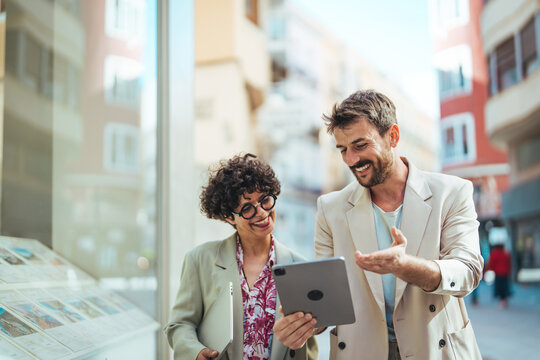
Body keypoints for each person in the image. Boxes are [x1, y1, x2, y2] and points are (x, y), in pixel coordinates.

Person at [273, 90, 484, 359]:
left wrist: (406, 267)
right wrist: (303, 324)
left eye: (360, 145)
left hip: (435, 348)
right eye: (342, 150)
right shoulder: (330, 208)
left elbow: (468, 271)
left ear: (392, 136)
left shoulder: (451, 192)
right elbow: (327, 299)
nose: (351, 159)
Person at [164, 154, 318, 360]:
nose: (262, 212)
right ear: (229, 216)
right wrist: (196, 352)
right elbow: (180, 325)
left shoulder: (300, 266)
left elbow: (311, 333)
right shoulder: (200, 260)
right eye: (247, 208)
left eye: (265, 200)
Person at [485, 242, 512, 308]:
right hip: (505, 272)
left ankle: (502, 300)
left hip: (498, 273)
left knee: (499, 287)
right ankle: (505, 299)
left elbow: (491, 262)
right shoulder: (506, 252)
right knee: (505, 286)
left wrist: (487, 270)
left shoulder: (495, 253)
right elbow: (509, 262)